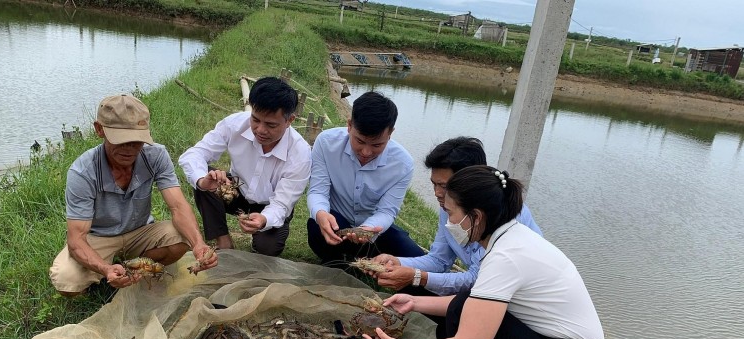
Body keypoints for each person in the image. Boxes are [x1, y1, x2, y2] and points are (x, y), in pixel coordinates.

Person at [362, 165, 606, 339]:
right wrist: (415, 302)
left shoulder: (505, 257)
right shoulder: (514, 238)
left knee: (461, 316)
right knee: (465, 304)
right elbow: (477, 304)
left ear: (475, 216)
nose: (449, 223)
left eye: (452, 213)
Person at [49, 94, 216, 296]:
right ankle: (108, 272)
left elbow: (178, 206)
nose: (130, 149)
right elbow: (76, 238)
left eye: (137, 141)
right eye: (121, 141)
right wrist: (105, 269)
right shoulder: (83, 172)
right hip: (99, 236)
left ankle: (137, 270)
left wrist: (199, 245)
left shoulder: (156, 155)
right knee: (67, 281)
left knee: (182, 238)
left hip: (141, 231)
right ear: (99, 129)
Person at [371, 136, 542, 296]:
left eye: (443, 186)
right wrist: (398, 263)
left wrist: (418, 276)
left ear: (468, 181)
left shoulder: (504, 217)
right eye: (434, 184)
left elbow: (478, 280)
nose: (437, 193)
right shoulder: (450, 205)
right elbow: (439, 260)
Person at [178, 76, 311, 257]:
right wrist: (201, 180)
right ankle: (223, 239)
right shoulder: (234, 124)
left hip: (269, 204)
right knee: (206, 178)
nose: (260, 130)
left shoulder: (300, 153)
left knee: (268, 249)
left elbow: (282, 203)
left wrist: (264, 219)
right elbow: (194, 154)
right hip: (236, 191)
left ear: (290, 120)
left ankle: (261, 234)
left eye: (271, 125)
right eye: (255, 120)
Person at [306, 91, 425, 266]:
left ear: (390, 133)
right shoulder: (326, 143)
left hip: (374, 232)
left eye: (377, 145)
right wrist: (320, 213)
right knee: (317, 226)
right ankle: (340, 260)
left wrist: (367, 230)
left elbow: (387, 211)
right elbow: (318, 190)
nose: (366, 152)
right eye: (360, 141)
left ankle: (359, 258)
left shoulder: (402, 164)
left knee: (415, 258)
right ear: (349, 126)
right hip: (338, 223)